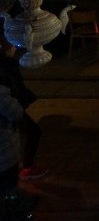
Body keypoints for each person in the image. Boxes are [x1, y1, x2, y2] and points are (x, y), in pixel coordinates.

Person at [0, 39, 48, 181]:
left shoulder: (7, 64)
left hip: (10, 107)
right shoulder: (5, 66)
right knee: (32, 132)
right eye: (11, 45)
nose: (14, 47)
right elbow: (12, 108)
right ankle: (26, 168)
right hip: (9, 110)